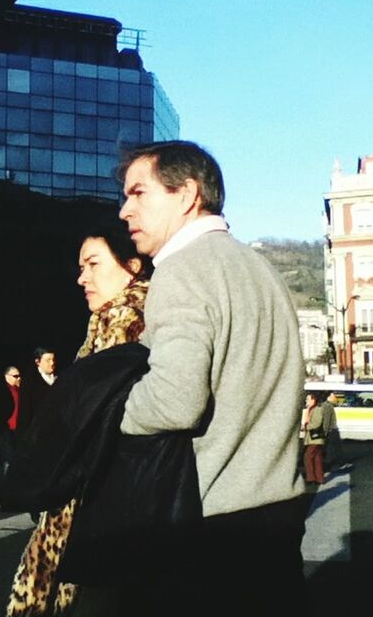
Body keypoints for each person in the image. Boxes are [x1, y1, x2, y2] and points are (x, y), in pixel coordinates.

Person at [116, 140, 306, 614]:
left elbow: (176, 400)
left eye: (139, 193)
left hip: (208, 524)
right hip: (278, 516)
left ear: (186, 195)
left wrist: (109, 410)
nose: (124, 210)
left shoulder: (181, 270)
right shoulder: (260, 269)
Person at [6, 219, 152, 616]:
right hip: (92, 512)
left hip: (107, 517)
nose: (81, 277)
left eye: (93, 264)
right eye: (81, 266)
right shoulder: (103, 324)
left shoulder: (131, 325)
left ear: (132, 266)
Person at [18, 348, 57, 434]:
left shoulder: (60, 378)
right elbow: (25, 412)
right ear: (37, 362)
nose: (52, 363)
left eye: (53, 359)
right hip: (37, 433)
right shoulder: (30, 382)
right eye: (48, 360)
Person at [0, 366, 21, 477]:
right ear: (7, 377)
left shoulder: (19, 390)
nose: (18, 378)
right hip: (6, 427)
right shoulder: (1, 390)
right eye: (15, 376)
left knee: (17, 455)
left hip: (18, 427)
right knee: (8, 456)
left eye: (19, 376)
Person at [301, 392, 325, 484]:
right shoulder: (311, 409)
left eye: (308, 399)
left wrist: (306, 427)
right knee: (317, 458)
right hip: (313, 438)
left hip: (315, 438)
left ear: (313, 400)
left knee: (307, 457)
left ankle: (310, 478)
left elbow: (317, 423)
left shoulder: (317, 410)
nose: (306, 401)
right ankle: (319, 478)